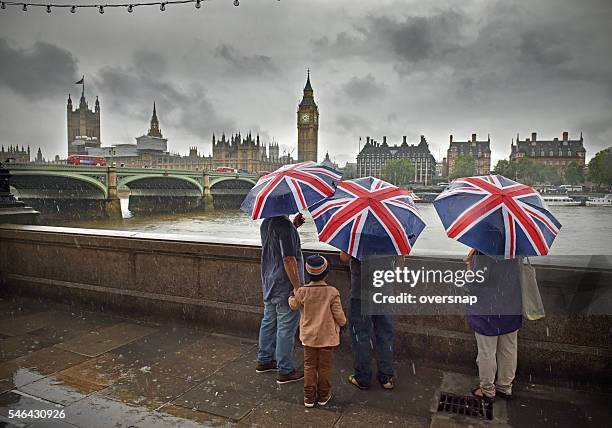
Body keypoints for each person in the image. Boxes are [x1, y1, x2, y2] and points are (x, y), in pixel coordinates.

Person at [465, 248, 522, 401]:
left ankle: (487, 390)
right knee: (509, 348)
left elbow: (476, 283)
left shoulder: (485, 248)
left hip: (487, 309)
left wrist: (469, 265)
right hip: (511, 305)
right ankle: (505, 386)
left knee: (486, 351)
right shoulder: (516, 246)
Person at [289, 254, 347, 407]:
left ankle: (308, 396)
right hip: (327, 337)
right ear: (326, 272)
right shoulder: (332, 292)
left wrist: (291, 296)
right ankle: (323, 395)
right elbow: (338, 314)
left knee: (309, 366)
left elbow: (293, 305)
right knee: (324, 367)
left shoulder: (302, 292)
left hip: (309, 337)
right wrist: (343, 324)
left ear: (308, 274)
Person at [256, 213, 305, 384]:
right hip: (285, 284)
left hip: (269, 280)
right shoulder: (285, 227)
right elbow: (288, 258)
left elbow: (275, 248)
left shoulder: (266, 223)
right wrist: (297, 287)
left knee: (269, 320)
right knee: (286, 326)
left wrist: (294, 226)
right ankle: (285, 370)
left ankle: (264, 359)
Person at [339, 251, 395, 390]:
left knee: (360, 334)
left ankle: (362, 378)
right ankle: (386, 377)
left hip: (361, 291)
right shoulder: (391, 232)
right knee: (385, 333)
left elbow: (344, 258)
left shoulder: (357, 232)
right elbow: (400, 261)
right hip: (384, 289)